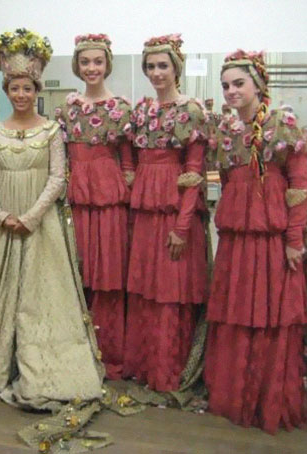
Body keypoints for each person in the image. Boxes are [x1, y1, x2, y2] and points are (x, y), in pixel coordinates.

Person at [0, 27, 104, 411]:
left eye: (27, 88)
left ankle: (46, 365)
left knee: (41, 295)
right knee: (4, 291)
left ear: (37, 91)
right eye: (14, 88)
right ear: (7, 91)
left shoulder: (51, 131)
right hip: (6, 224)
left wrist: (31, 216)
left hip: (41, 224)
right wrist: (1, 214)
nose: (21, 94)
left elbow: (57, 178)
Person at [206, 50, 307, 433]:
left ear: (258, 84)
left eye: (239, 83)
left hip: (272, 244)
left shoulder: (282, 124)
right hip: (237, 242)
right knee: (237, 314)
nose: (231, 91)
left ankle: (266, 399)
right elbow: (227, 182)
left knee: (271, 317)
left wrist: (294, 239)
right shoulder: (226, 132)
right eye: (226, 86)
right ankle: (237, 395)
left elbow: (300, 187)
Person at [124, 34, 208, 392]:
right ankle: (145, 367)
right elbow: (128, 157)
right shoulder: (141, 112)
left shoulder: (192, 112)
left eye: (163, 65)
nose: (156, 72)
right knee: (146, 290)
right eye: (150, 66)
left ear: (177, 68)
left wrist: (182, 227)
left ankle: (169, 370)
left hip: (174, 217)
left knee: (172, 293)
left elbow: (194, 173)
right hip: (145, 216)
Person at [55, 33, 132, 379]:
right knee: (78, 272)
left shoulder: (121, 109)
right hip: (76, 200)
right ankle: (76, 351)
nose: (91, 68)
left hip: (110, 201)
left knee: (108, 274)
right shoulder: (67, 109)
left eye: (97, 61)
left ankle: (109, 351)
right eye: (85, 62)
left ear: (107, 64)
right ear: (77, 65)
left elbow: (128, 163)